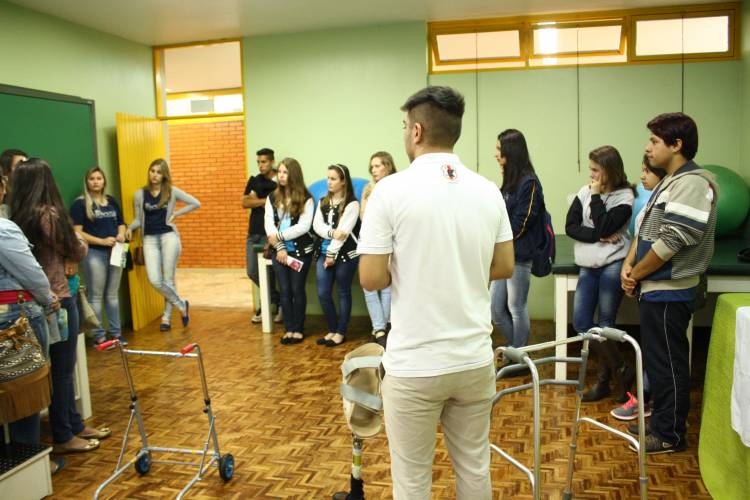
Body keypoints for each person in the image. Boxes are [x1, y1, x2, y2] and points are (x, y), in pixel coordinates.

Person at [358, 86, 514, 499]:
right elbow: (504, 266)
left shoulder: (389, 191)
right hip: (474, 359)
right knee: (475, 468)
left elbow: (371, 278)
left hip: (416, 365)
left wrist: (412, 268)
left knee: (412, 481)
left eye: (404, 126)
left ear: (417, 130)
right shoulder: (488, 190)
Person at [621, 112, 718, 454]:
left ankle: (670, 434)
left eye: (655, 141)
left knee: (668, 365)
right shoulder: (671, 181)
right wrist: (630, 266)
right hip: (655, 288)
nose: (648, 148)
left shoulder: (693, 183)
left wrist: (636, 273)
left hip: (670, 291)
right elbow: (646, 229)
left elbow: (672, 240)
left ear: (677, 145)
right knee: (658, 361)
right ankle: (661, 421)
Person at [10, 158, 109, 454]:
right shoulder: (49, 214)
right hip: (59, 298)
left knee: (59, 370)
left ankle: (74, 425)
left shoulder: (18, 216)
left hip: (37, 300)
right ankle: (65, 434)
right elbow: (76, 249)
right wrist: (76, 245)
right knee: (64, 371)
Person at [565, 146, 635, 403]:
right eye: (590, 169)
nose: (591, 174)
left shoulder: (625, 197)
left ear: (610, 170)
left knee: (606, 325)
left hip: (612, 263)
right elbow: (571, 226)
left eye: (596, 169)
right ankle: (623, 369)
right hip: (588, 264)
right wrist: (599, 235)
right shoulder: (584, 191)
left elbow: (605, 223)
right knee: (581, 322)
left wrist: (596, 198)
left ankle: (603, 382)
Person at [0, 212, 63, 473]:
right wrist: (48, 299)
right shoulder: (3, 228)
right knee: (26, 387)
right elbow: (32, 274)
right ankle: (31, 466)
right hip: (15, 316)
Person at [610, 155, 666, 421]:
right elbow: (639, 236)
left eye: (647, 171)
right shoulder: (648, 203)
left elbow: (664, 248)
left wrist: (634, 275)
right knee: (650, 346)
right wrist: (627, 266)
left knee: (659, 352)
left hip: (662, 287)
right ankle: (643, 400)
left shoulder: (668, 202)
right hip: (646, 284)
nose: (642, 176)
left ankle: (648, 403)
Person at [126, 159, 200, 331]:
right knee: (154, 279)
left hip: (169, 237)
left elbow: (196, 203)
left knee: (168, 279)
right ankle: (181, 305)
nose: (154, 175)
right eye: (152, 171)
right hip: (149, 239)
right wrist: (129, 228)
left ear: (164, 175)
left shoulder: (172, 191)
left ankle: (166, 318)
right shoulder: (140, 194)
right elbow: (138, 219)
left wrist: (176, 214)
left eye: (159, 172)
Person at [490, 129, 545, 349]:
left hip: (520, 255)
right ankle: (518, 352)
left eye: (498, 149)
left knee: (516, 307)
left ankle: (518, 355)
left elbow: (523, 220)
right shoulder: (510, 180)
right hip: (504, 254)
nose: (495, 154)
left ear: (510, 151)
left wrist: (500, 240)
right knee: (495, 309)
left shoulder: (529, 182)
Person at [70, 167, 127, 347]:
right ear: (87, 182)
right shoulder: (80, 204)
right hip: (94, 253)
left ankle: (117, 334)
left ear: (104, 181)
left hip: (116, 251)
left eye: (99, 178)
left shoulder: (112, 201)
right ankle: (99, 336)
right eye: (92, 178)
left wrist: (121, 234)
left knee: (112, 294)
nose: (95, 182)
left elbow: (122, 224)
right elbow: (77, 232)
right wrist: (101, 241)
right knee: (95, 295)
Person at [264, 158, 314, 345]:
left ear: (294, 174)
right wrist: (280, 247)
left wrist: (278, 237)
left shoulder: (306, 198)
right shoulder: (272, 197)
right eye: (280, 172)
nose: (281, 176)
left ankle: (299, 329)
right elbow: (269, 224)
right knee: (284, 290)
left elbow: (303, 226)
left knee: (297, 289)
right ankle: (289, 329)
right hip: (279, 252)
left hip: (300, 252)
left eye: (285, 172)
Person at [313, 164, 360, 348]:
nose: (329, 182)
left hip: (345, 254)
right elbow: (317, 226)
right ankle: (332, 329)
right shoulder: (323, 202)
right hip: (324, 253)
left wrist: (332, 254)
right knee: (323, 293)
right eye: (328, 178)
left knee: (343, 291)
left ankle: (340, 332)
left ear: (343, 182)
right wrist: (332, 233)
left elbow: (344, 233)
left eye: (333, 179)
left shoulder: (352, 204)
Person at [360, 152, 396, 347]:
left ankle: (384, 327)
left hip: (391, 243)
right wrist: (368, 197)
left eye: (377, 166)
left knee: (388, 285)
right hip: (369, 241)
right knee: (369, 287)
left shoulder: (395, 186)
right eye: (371, 167)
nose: (373, 170)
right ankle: (379, 328)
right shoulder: (368, 189)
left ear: (387, 166)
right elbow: (363, 218)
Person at [243, 148, 281, 324]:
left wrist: (256, 199)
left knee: (271, 271)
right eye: (258, 162)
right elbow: (245, 202)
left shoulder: (280, 180)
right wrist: (266, 201)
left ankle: (267, 305)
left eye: (264, 162)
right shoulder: (254, 180)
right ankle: (276, 299)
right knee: (252, 271)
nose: (260, 165)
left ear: (272, 162)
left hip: (270, 233)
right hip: (253, 232)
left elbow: (279, 203)